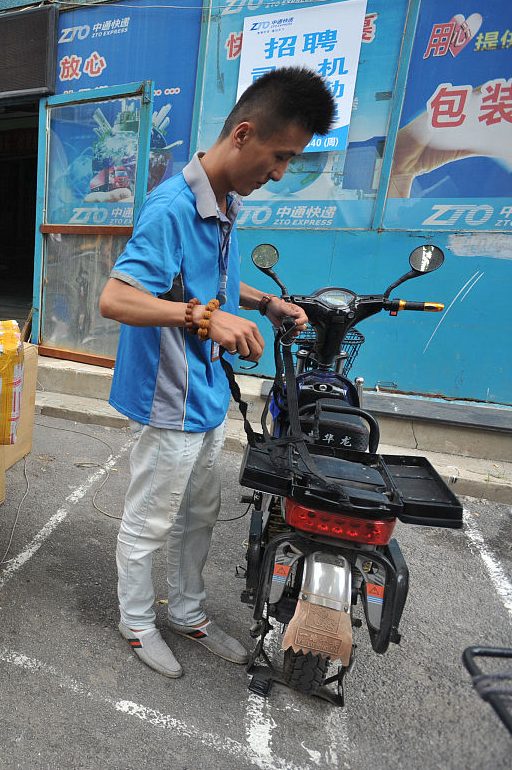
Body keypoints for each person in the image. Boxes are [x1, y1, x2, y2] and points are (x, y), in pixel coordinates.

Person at [97, 67, 331, 679]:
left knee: (201, 511)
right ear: (244, 135)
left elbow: (216, 282)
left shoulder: (225, 202)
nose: (279, 174)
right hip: (166, 399)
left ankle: (189, 611)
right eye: (280, 157)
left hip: (202, 397)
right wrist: (204, 317)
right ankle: (138, 620)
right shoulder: (171, 207)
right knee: (151, 517)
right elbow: (116, 299)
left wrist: (261, 304)